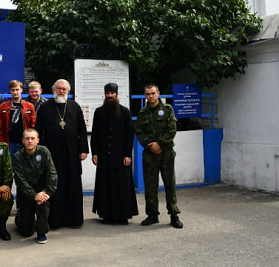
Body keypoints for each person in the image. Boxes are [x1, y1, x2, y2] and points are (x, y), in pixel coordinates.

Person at [34, 78, 88, 228]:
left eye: (64, 89)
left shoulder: (74, 107)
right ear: (53, 90)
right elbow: (38, 129)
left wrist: (84, 149)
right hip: (51, 152)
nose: (61, 91)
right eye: (59, 89)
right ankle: (54, 220)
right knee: (53, 183)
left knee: (73, 183)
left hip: (72, 152)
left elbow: (82, 130)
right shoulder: (45, 108)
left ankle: (74, 219)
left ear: (68, 91)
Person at [134, 84, 183, 228]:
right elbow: (139, 131)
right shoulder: (142, 113)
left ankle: (174, 214)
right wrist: (151, 145)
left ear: (158, 93)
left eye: (153, 93)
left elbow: (172, 129)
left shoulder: (167, 109)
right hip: (150, 154)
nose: (150, 96)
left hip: (166, 152)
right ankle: (152, 214)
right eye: (148, 94)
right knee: (150, 185)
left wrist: (159, 144)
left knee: (169, 184)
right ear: (145, 95)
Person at [91, 83, 138, 224]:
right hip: (104, 156)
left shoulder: (125, 112)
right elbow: (95, 134)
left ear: (116, 94)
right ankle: (106, 215)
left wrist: (128, 154)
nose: (110, 96)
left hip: (121, 156)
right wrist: (95, 153)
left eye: (112, 93)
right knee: (105, 186)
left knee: (122, 186)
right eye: (108, 93)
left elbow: (129, 135)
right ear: (105, 94)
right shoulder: (99, 112)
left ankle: (123, 216)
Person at [12, 128, 57, 244]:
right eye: (27, 138)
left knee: (43, 204)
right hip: (26, 195)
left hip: (42, 193)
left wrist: (47, 192)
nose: (30, 141)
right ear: (23, 140)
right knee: (26, 232)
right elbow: (20, 181)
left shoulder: (44, 152)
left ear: (38, 140)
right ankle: (20, 217)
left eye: (32, 138)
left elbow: (52, 173)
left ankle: (41, 232)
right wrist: (34, 195)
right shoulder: (17, 156)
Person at [0, 80, 36, 157]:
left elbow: (33, 124)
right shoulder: (3, 106)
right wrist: (1, 141)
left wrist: (31, 140)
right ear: (10, 91)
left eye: (17, 90)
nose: (15, 92)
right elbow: (0, 125)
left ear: (21, 90)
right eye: (13, 90)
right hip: (9, 142)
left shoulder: (29, 106)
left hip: (26, 141)